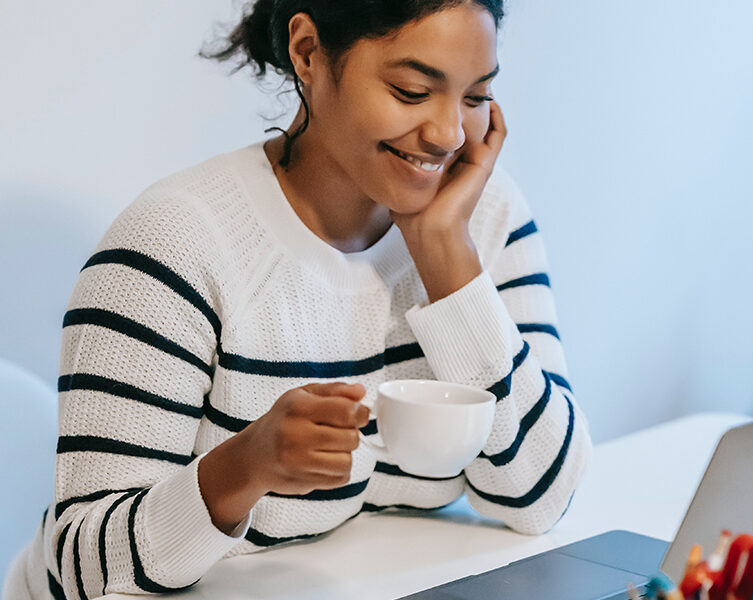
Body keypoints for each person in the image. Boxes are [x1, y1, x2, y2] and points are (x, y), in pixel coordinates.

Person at [3, 1, 592, 598]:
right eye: (412, 91)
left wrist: (446, 256)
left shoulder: (480, 214)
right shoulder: (175, 242)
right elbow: (82, 570)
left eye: (474, 98)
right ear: (308, 51)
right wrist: (243, 468)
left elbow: (544, 496)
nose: (448, 135)